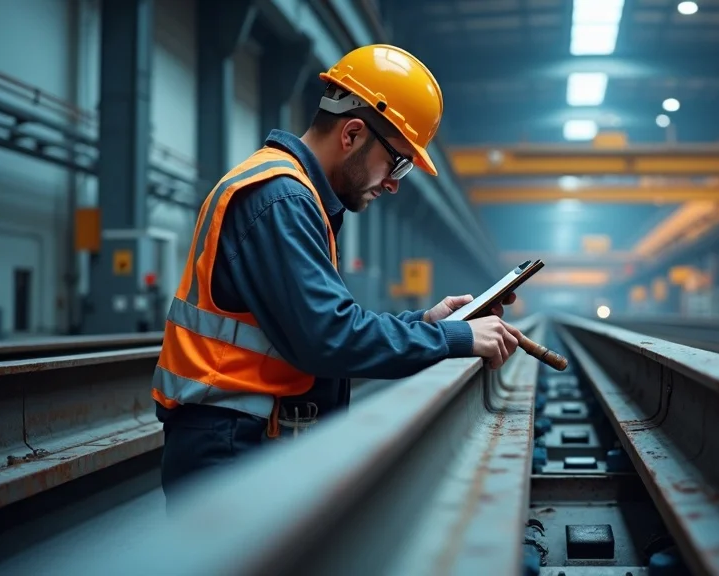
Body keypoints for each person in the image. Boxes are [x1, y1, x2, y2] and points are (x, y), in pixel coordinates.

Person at [151, 44, 523, 505]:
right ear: (351, 134)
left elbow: (322, 321)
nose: (393, 183)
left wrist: (425, 324)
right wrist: (453, 339)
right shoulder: (280, 200)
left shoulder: (295, 196)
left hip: (242, 439)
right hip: (229, 450)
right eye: (398, 162)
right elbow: (329, 337)